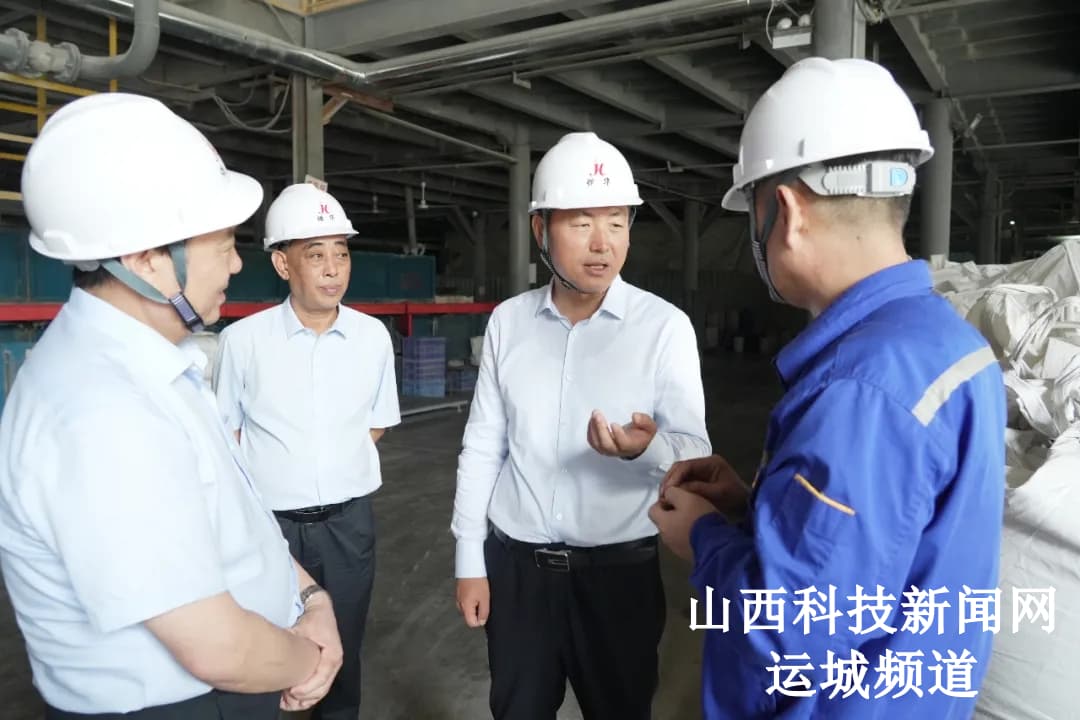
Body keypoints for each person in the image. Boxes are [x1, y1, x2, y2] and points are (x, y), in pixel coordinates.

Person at [649, 57, 1007, 719]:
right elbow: (881, 543)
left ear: (784, 212)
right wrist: (753, 508)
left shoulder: (861, 390)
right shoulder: (946, 344)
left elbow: (788, 633)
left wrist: (703, 538)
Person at [0, 93, 342, 719]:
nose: (235, 264)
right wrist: (311, 659)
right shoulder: (103, 411)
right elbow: (215, 647)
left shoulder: (154, 361)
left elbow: (234, 523)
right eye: (223, 244)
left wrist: (310, 597)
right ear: (146, 259)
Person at [452, 131, 712, 720]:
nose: (603, 243)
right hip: (517, 574)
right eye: (581, 223)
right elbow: (483, 446)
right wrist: (470, 560)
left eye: (617, 222)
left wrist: (646, 450)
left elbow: (695, 450)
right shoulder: (508, 323)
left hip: (618, 578)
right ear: (540, 229)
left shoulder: (664, 328)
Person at [212, 181, 401, 720]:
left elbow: (377, 424)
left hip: (348, 527)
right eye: (316, 255)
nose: (333, 269)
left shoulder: (372, 337)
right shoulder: (243, 341)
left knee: (342, 649)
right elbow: (227, 434)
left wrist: (327, 460)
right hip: (270, 527)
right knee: (263, 651)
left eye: (341, 254)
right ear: (282, 264)